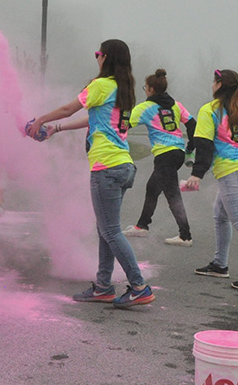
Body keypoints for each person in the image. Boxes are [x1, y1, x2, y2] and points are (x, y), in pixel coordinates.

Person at [27, 39, 155, 309]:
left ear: (106, 58)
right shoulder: (124, 89)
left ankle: (139, 286)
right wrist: (57, 129)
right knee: (105, 229)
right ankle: (104, 286)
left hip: (106, 167)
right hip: (124, 165)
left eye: (98, 54)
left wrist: (41, 120)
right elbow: (91, 118)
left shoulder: (101, 85)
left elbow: (69, 108)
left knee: (110, 230)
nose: (96, 57)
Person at [186, 69, 238, 290]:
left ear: (219, 85)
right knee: (220, 215)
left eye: (214, 81)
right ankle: (220, 265)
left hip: (232, 172)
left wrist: (196, 174)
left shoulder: (210, 110)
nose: (212, 85)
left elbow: (204, 145)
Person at [123, 69, 196, 247]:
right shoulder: (176, 105)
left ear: (151, 89)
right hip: (177, 153)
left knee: (172, 195)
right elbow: (193, 124)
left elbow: (123, 124)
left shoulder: (145, 108)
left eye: (145, 88)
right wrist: (190, 147)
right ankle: (142, 226)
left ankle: (185, 236)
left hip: (164, 155)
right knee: (152, 188)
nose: (145, 90)